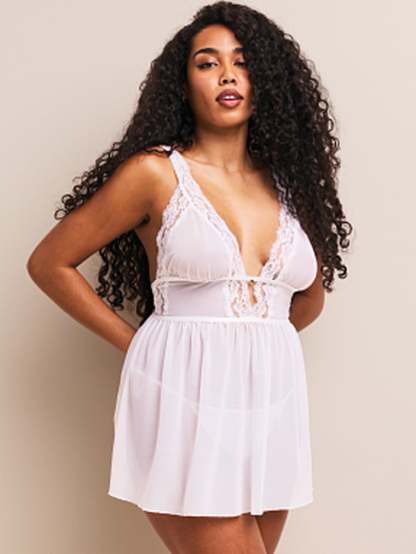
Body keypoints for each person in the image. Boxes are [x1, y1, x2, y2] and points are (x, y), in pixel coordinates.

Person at [26, 2, 353, 552]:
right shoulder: (155, 173)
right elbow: (49, 263)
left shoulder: (291, 186)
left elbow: (307, 301)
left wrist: (252, 346)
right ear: (183, 85)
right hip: (185, 393)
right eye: (207, 63)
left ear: (266, 80)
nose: (227, 75)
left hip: (272, 403)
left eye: (242, 61)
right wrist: (139, 345)